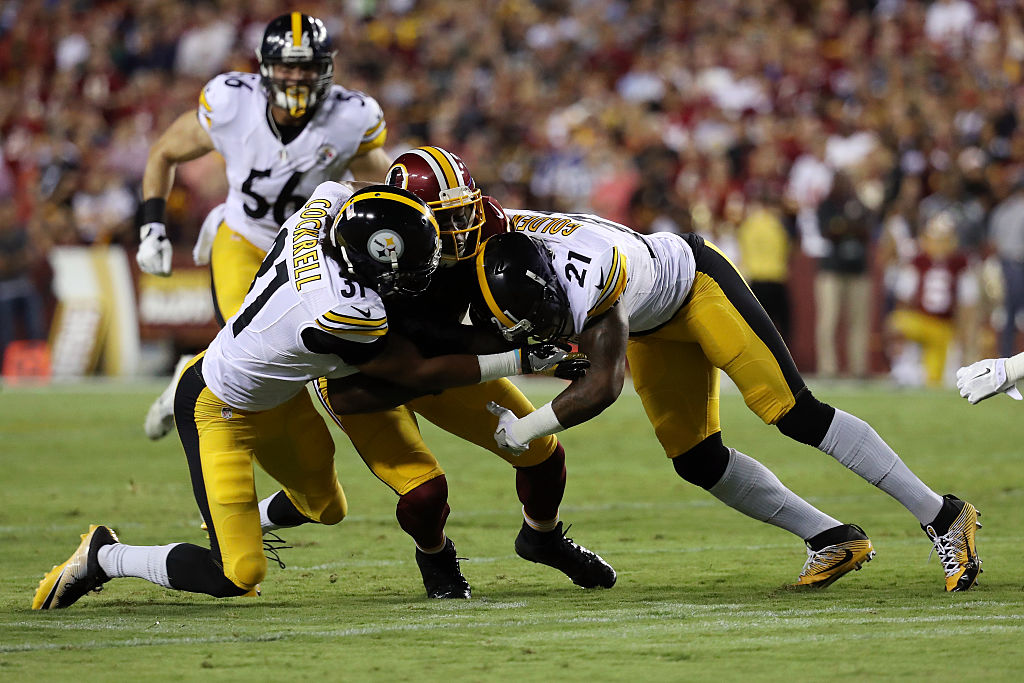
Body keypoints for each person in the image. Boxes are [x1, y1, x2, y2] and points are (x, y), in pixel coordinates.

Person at [32, 184, 586, 610]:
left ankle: (235, 518)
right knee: (238, 574)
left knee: (326, 508)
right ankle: (107, 555)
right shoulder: (343, 311)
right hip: (216, 408)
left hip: (282, 397)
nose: (414, 283)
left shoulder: (323, 214)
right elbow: (415, 368)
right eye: (404, 273)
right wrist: (520, 360)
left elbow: (335, 190)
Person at [470, 206, 983, 592]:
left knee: (795, 413)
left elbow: (602, 387)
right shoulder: (499, 241)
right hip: (647, 325)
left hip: (695, 286)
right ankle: (831, 538)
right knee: (696, 458)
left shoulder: (594, 274)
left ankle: (943, 515)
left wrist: (524, 428)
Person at [280, 146, 616, 598]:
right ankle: (434, 554)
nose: (463, 226)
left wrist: (534, 335)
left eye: (465, 211)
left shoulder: (485, 224)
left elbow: (461, 329)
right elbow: (409, 361)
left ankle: (543, 537)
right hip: (360, 377)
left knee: (541, 454)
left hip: (439, 358)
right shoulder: (364, 255)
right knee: (424, 493)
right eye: (446, 218)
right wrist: (518, 357)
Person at [136, 12, 392, 440]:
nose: (297, 77)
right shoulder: (231, 103)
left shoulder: (350, 118)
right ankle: (194, 379)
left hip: (307, 251)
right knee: (250, 346)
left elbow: (384, 189)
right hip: (244, 236)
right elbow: (164, 152)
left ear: (326, 68)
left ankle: (191, 369)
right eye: (288, 66)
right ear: (265, 67)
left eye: (308, 67)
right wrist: (151, 228)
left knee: (306, 349)